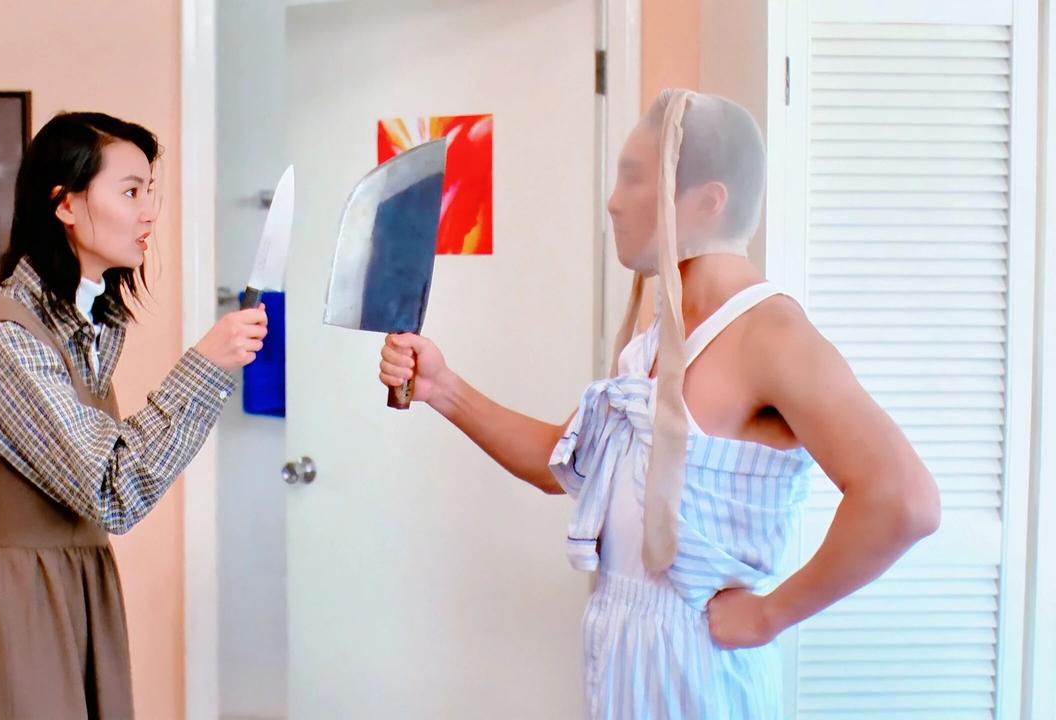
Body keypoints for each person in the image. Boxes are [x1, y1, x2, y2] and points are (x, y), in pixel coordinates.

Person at [378, 89, 941, 718]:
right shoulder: (653, 344)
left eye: (634, 178)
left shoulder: (769, 333)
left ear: (707, 201)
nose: (614, 202)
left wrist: (768, 616)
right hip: (622, 663)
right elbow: (558, 463)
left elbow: (905, 501)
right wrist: (442, 388)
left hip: (701, 677)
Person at [0, 111, 268, 718]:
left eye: (149, 192)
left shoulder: (85, 327)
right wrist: (205, 366)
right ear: (66, 204)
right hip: (16, 609)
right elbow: (113, 487)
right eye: (130, 192)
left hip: (78, 592)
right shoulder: (6, 339)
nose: (149, 213)